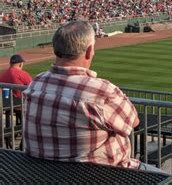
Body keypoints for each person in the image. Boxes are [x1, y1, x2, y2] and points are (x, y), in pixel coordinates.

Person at [22, 21, 160, 172]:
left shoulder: (37, 82)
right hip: (105, 175)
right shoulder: (102, 91)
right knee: (162, 176)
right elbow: (133, 122)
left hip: (42, 174)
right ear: (89, 51)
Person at [0, 54, 32, 127]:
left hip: (6, 105)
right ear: (20, 64)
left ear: (10, 64)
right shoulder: (22, 74)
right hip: (20, 105)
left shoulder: (3, 74)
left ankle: (9, 131)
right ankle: (22, 131)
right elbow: (32, 86)